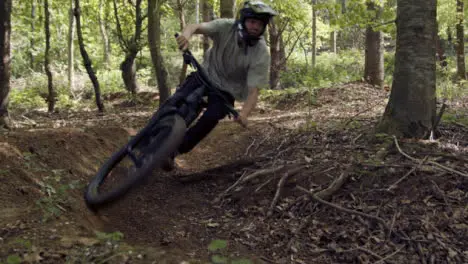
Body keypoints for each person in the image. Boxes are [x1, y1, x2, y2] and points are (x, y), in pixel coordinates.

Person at [163, 1, 277, 171]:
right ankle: (151, 135)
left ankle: (174, 152)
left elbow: (254, 90)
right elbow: (195, 26)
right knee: (175, 101)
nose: (255, 27)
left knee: (210, 118)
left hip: (227, 91)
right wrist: (185, 36)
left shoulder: (261, 53)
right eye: (252, 22)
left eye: (260, 24)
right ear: (244, 20)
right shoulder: (226, 26)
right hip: (206, 73)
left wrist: (244, 114)